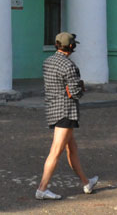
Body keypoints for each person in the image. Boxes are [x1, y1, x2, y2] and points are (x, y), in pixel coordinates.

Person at [34, 32, 99, 200]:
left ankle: (86, 183)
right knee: (56, 150)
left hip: (53, 108)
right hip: (66, 111)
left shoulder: (47, 62)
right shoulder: (69, 66)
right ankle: (42, 188)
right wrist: (80, 87)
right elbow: (75, 93)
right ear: (71, 47)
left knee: (72, 148)